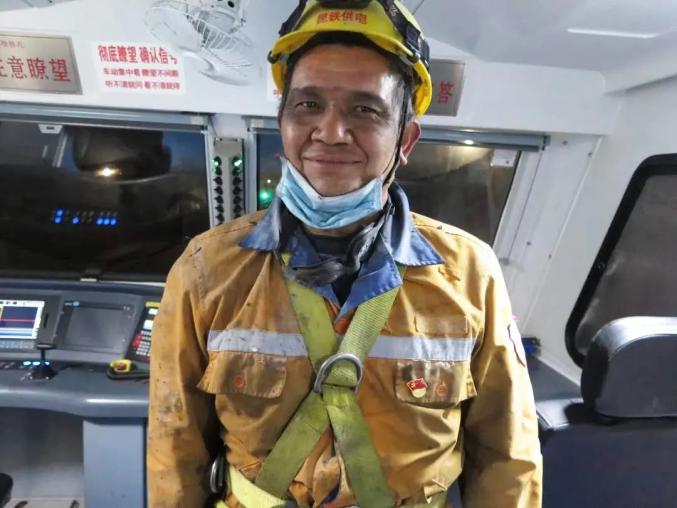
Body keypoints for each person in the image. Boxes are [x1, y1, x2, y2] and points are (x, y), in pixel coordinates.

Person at [147, 1, 543, 507]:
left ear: (405, 140)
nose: (331, 132)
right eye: (308, 105)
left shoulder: (469, 273)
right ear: (283, 122)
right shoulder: (207, 269)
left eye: (365, 110)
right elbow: (174, 446)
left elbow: (507, 456)